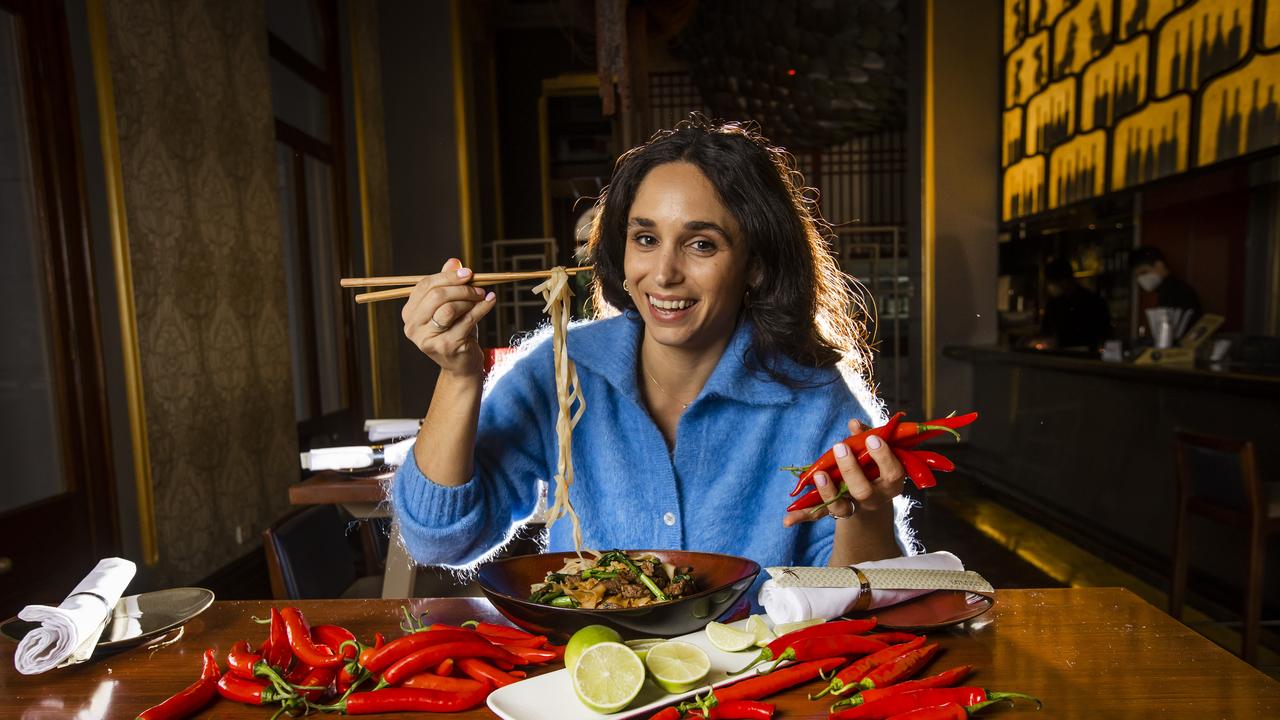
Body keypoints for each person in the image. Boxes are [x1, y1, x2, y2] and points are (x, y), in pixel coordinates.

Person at [390, 118, 913, 576]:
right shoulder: (563, 371)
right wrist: (459, 375)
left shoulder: (812, 400)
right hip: (595, 669)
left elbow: (858, 600)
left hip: (759, 679)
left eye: (701, 243)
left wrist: (867, 513)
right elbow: (439, 539)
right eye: (645, 238)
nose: (663, 274)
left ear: (755, 265)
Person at [1039, 258, 1111, 351]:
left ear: (1064, 280)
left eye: (1052, 282)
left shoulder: (1092, 302)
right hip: (1056, 358)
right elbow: (1046, 331)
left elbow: (1103, 334)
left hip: (1087, 358)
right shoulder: (1053, 303)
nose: (1050, 287)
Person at [1130, 245, 1201, 323]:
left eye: (1144, 272)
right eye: (1137, 276)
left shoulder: (1178, 292)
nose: (1141, 279)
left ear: (1159, 265)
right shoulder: (1166, 291)